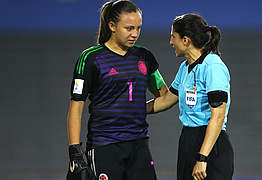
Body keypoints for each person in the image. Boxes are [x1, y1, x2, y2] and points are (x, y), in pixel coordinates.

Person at [67, 1, 168, 180]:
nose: (135, 34)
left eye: (138, 28)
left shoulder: (145, 57)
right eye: (129, 28)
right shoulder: (90, 58)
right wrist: (75, 151)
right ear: (112, 26)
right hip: (104, 146)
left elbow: (164, 96)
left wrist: (185, 87)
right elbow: (76, 108)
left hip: (139, 146)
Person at [147, 13, 234, 180]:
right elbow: (166, 100)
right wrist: (132, 109)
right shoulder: (185, 67)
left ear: (185, 40)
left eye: (173, 37)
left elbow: (218, 116)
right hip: (188, 141)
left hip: (211, 145)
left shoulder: (213, 67)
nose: (171, 42)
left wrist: (202, 158)